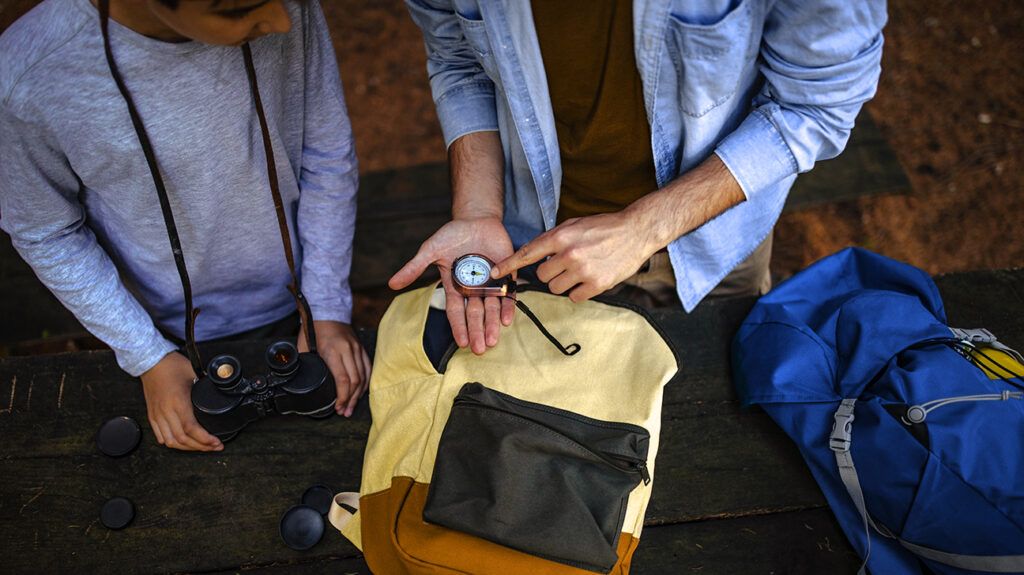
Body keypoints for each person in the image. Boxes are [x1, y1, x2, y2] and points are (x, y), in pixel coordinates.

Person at [391, 0, 887, 355]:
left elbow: (814, 106)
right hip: (537, 242)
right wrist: (478, 209)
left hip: (719, 238)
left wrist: (644, 228)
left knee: (726, 377)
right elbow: (459, 61)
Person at [0, 0, 370, 452]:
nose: (282, 22)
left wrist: (327, 306)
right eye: (239, 9)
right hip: (161, 330)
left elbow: (327, 154)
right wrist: (148, 356)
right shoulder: (26, 76)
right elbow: (47, 232)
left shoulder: (282, 4)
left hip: (303, 302)